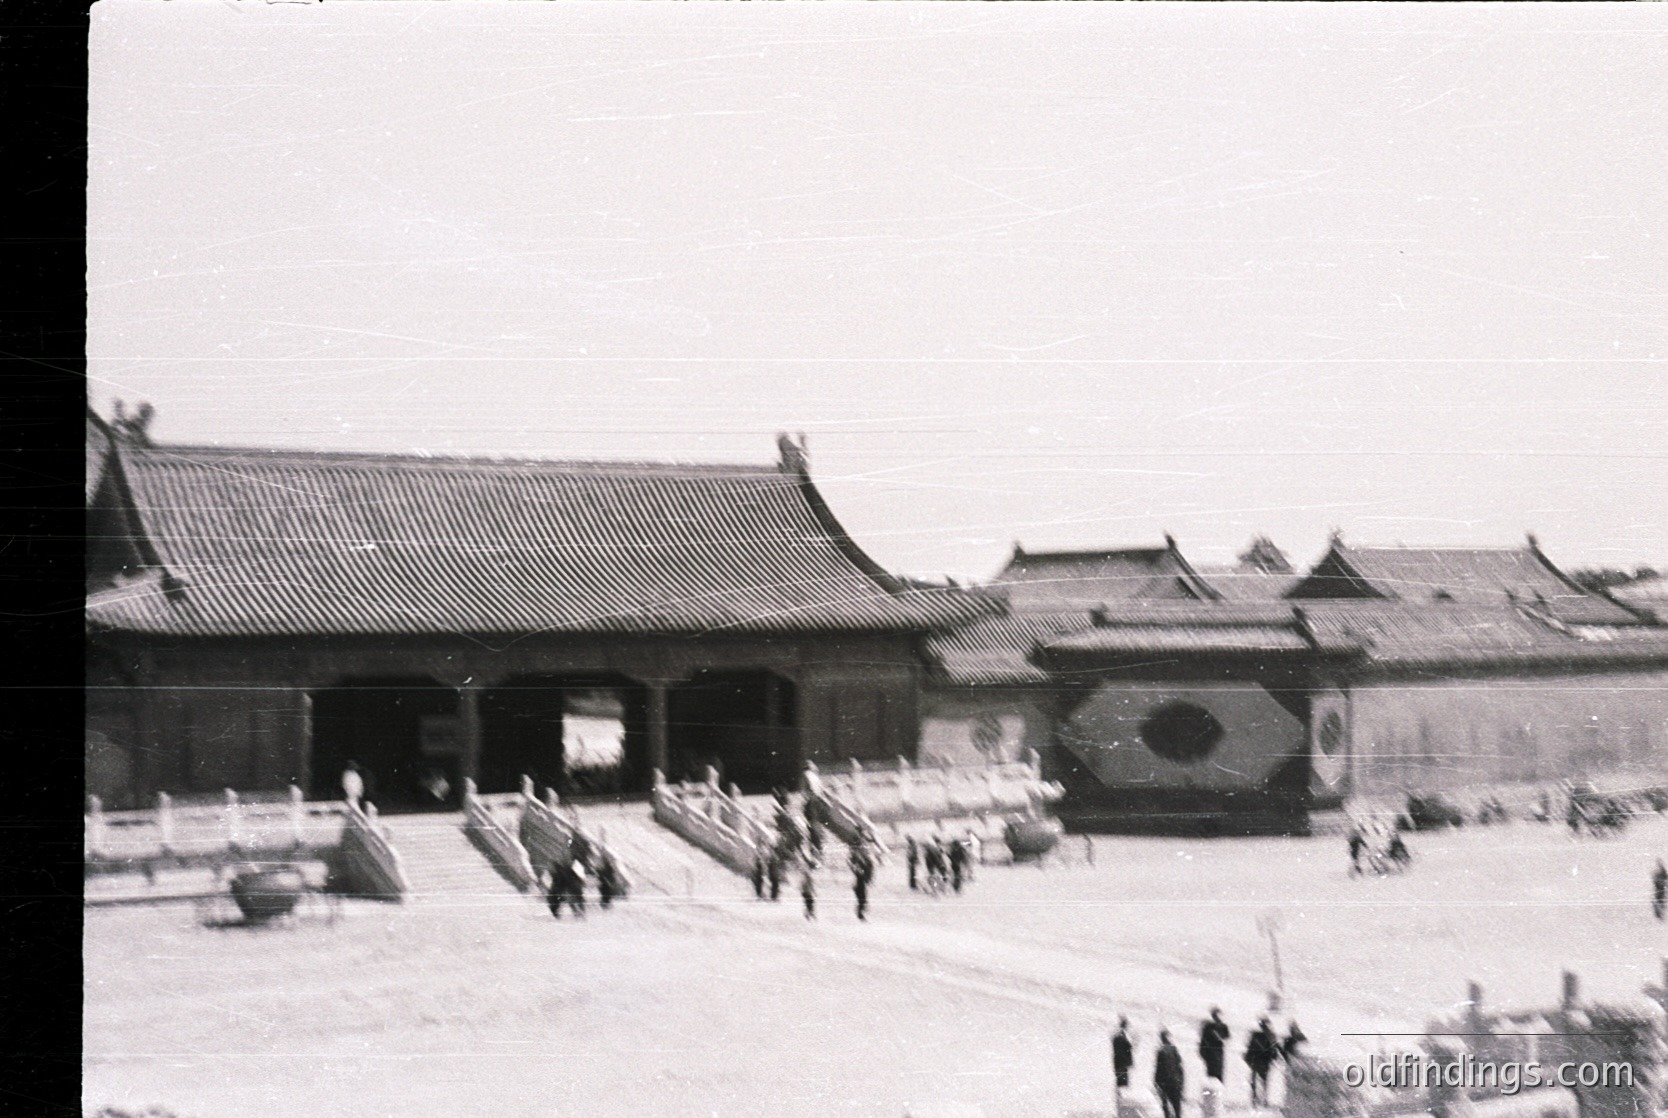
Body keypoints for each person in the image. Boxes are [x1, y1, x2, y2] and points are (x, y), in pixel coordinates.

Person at [1245, 1017, 1281, 1107]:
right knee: (1261, 1081)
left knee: (1260, 1081)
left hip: (1262, 1060)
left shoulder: (1263, 1035)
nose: (1264, 1026)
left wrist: (1274, 1057)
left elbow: (1274, 1048)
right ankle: (1258, 1100)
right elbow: (1251, 1047)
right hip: (1260, 1060)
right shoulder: (1263, 1035)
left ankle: (1258, 1100)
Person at [1154, 1030, 1185, 1118]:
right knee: (1177, 1107)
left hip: (1165, 1083)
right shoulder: (1174, 1049)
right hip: (1176, 1081)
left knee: (1166, 1106)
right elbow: (1180, 1066)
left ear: (1162, 1038)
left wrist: (1156, 1082)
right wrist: (1181, 1081)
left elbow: (1158, 1069)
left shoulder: (1161, 1051)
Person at [1199, 1007, 1230, 1085]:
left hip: (1218, 1054)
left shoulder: (1223, 1026)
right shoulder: (1208, 1027)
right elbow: (1203, 1041)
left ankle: (1219, 1091)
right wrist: (1202, 1052)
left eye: (1218, 1015)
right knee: (1210, 1075)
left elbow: (1227, 1038)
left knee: (1219, 1074)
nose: (1217, 1017)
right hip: (1210, 1054)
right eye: (1215, 1015)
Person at [850, 841, 875, 922]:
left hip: (861, 882)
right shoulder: (861, 860)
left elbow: (869, 869)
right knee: (862, 899)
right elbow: (856, 868)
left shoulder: (865, 861)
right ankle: (860, 914)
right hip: (860, 882)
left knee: (862, 899)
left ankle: (860, 913)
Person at [1111, 1017, 1135, 1093]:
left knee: (1119, 1081)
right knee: (1122, 1082)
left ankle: (1119, 1098)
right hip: (1122, 1062)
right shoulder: (1121, 1036)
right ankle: (1120, 1099)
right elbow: (1128, 1047)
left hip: (1118, 1062)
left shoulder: (1117, 1036)